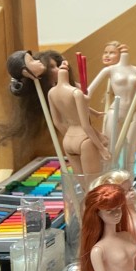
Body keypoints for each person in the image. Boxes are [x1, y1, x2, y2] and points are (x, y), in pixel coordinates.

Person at [48, 60, 110, 189]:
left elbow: (57, 122)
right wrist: (101, 148)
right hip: (84, 139)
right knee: (94, 186)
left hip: (68, 140)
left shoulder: (51, 93)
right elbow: (86, 125)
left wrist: (69, 135)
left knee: (84, 188)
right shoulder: (76, 92)